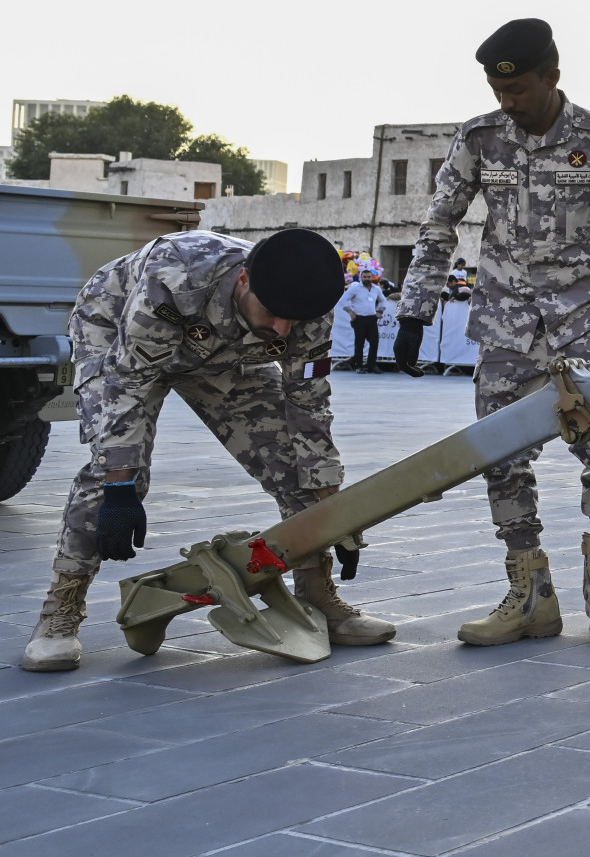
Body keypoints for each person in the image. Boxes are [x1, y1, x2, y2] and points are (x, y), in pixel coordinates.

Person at [393, 18, 590, 645]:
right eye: (497, 91)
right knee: (500, 453)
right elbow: (441, 223)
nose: (507, 103)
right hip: (505, 319)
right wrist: (415, 308)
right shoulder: (480, 138)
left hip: (586, 316)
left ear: (553, 77)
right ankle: (528, 595)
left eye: (517, 92)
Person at [21, 229, 394, 672]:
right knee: (116, 473)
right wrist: (120, 489)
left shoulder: (309, 303)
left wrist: (333, 515)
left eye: (292, 322)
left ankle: (317, 593)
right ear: (243, 281)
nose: (282, 330)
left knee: (295, 466)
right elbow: (130, 383)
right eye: (273, 314)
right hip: (119, 337)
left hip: (224, 354)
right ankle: (59, 614)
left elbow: (309, 406)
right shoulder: (175, 277)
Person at [339, 268, 389, 372]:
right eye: (364, 277)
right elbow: (343, 299)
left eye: (368, 277)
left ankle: (371, 365)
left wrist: (380, 311)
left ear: (372, 278)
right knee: (359, 343)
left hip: (371, 318)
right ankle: (359, 366)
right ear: (361, 277)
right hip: (359, 318)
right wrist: (350, 312)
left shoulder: (376, 289)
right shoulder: (355, 288)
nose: (366, 278)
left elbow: (383, 301)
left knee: (374, 341)